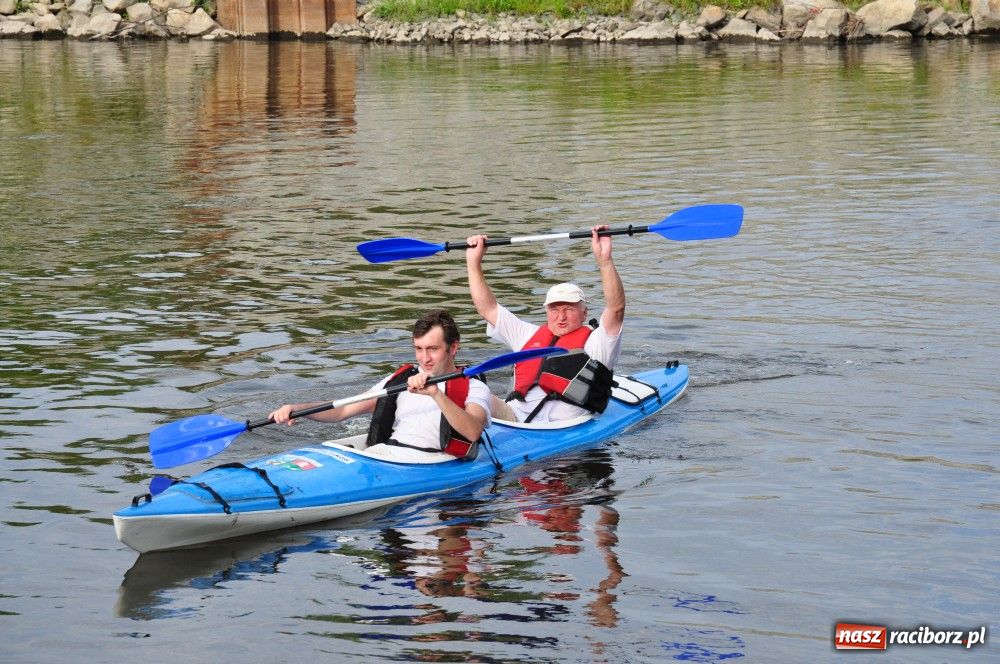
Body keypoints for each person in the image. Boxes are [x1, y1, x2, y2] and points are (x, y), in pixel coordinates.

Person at [268, 309, 490, 463]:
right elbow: (344, 409)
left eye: (432, 349)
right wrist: (299, 409)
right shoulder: (402, 379)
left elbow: (473, 431)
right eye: (418, 349)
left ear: (453, 348)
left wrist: (435, 394)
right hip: (386, 454)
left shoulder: (473, 385)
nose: (424, 358)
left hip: (430, 461)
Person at [465, 225, 625, 424]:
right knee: (466, 391)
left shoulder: (597, 343)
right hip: (514, 417)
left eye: (569, 309)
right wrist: (473, 263)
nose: (561, 317)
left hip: (563, 427)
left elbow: (616, 309)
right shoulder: (527, 335)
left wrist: (605, 261)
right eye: (554, 310)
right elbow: (487, 308)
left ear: (584, 313)